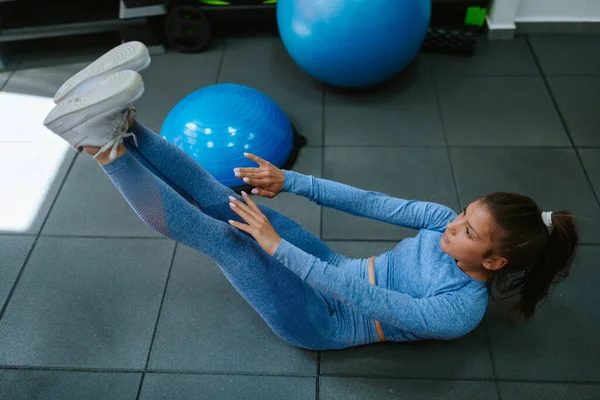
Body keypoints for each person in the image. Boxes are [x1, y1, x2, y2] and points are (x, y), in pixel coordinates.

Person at [42, 42, 579, 350]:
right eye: (464, 213)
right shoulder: (442, 223)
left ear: (494, 259)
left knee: (229, 243)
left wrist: (276, 248)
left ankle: (97, 146)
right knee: (229, 202)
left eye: (467, 230)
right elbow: (373, 202)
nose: (451, 224)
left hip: (323, 319)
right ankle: (124, 126)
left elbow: (367, 300)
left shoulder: (460, 311)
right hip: (333, 265)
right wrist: (293, 181)